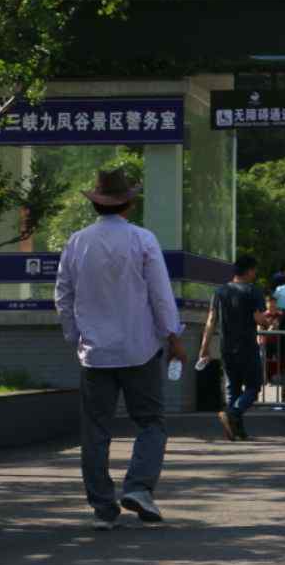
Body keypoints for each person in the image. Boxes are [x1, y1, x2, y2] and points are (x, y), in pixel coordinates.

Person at [55, 169, 186, 529]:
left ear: (96, 203)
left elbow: (63, 295)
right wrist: (172, 336)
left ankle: (102, 507)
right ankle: (139, 487)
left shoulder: (77, 242)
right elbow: (159, 293)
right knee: (150, 423)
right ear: (129, 202)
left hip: (94, 353)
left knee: (95, 429)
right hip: (139, 347)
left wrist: (75, 336)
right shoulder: (142, 239)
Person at [198, 255, 272, 441]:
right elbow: (258, 318)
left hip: (226, 347)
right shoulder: (253, 291)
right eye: (254, 270)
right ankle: (233, 413)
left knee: (234, 388)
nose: (255, 274)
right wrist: (266, 321)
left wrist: (204, 348)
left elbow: (211, 321)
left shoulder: (220, 291)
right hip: (247, 346)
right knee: (254, 386)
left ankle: (235, 430)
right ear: (248, 270)